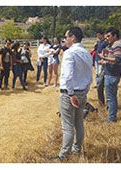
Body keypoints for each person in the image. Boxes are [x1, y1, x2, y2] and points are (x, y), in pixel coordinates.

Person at [48, 27, 92, 161]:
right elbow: (90, 77)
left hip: (70, 94)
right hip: (82, 92)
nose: (65, 40)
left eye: (66, 37)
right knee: (79, 123)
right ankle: (76, 149)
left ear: (73, 37)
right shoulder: (86, 53)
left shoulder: (69, 53)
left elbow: (67, 76)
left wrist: (71, 94)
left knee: (67, 125)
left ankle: (63, 156)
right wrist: (84, 92)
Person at [98, 27, 121, 124]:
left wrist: (104, 58)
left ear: (115, 36)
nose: (107, 38)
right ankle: (112, 117)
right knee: (112, 97)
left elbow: (117, 60)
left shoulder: (118, 44)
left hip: (112, 75)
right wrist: (105, 61)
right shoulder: (114, 45)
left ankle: (111, 119)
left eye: (109, 36)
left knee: (110, 98)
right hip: (111, 74)